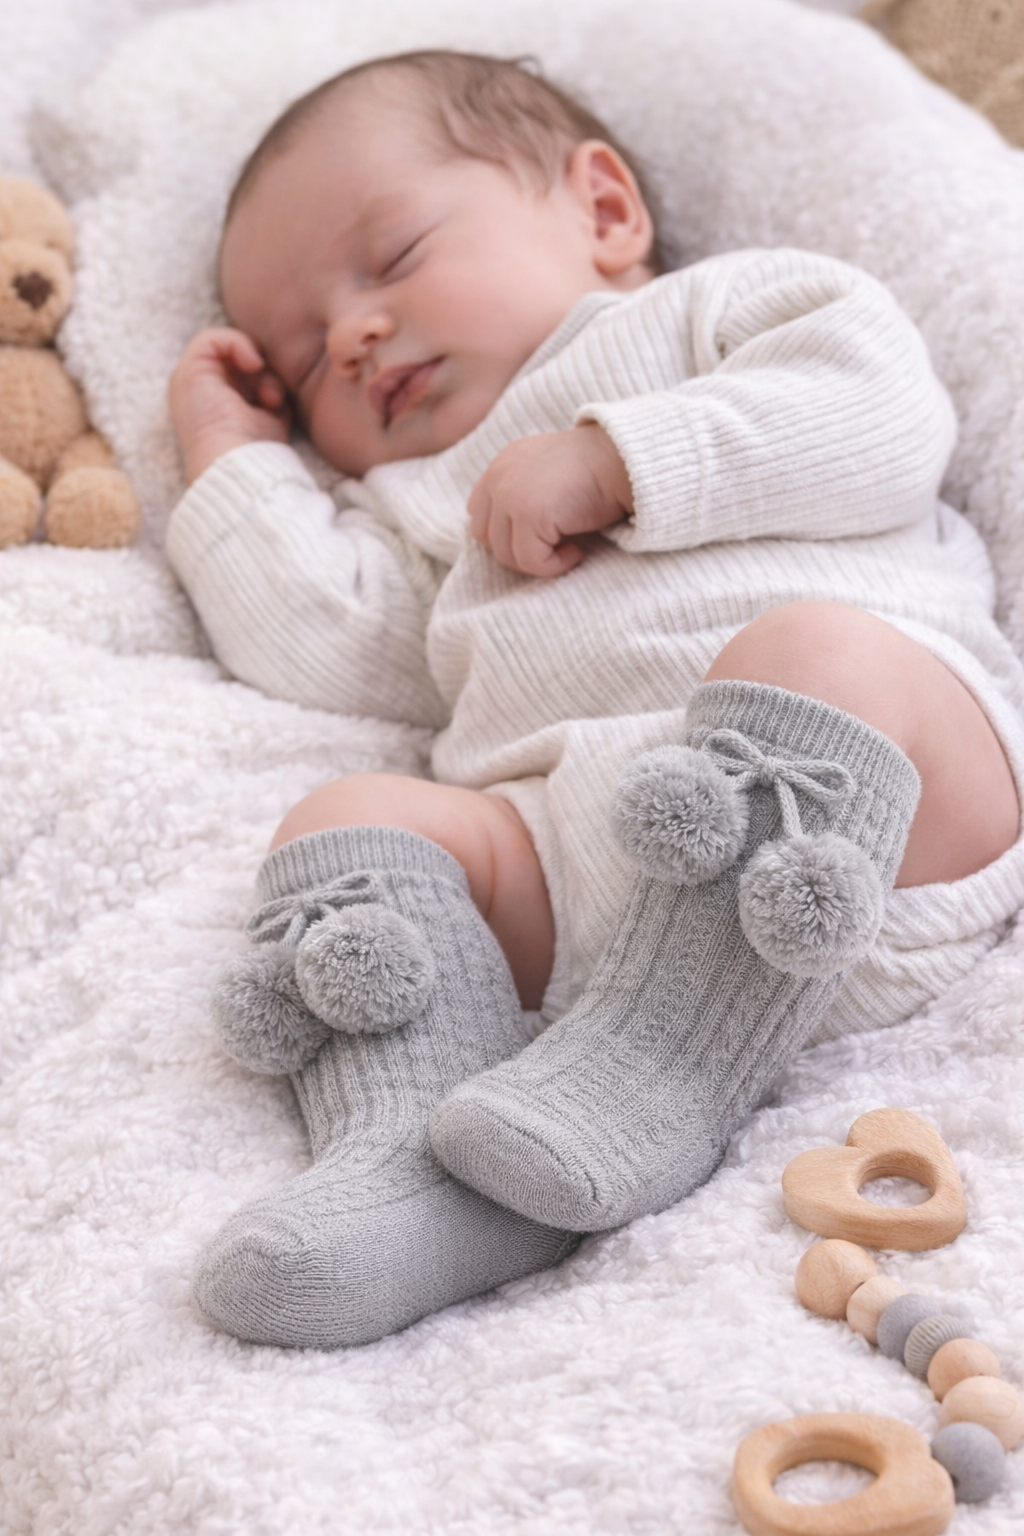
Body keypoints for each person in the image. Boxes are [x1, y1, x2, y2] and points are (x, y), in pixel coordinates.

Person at [167, 50, 1024, 1349]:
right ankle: (425, 1170)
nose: (351, 336)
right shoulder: (410, 500)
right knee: (345, 816)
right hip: (597, 898)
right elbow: (331, 651)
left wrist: (622, 460)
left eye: (392, 257)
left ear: (606, 212)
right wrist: (232, 463)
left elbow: (882, 416)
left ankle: (661, 1080)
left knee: (809, 647)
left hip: (873, 832)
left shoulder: (720, 316)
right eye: (305, 362)